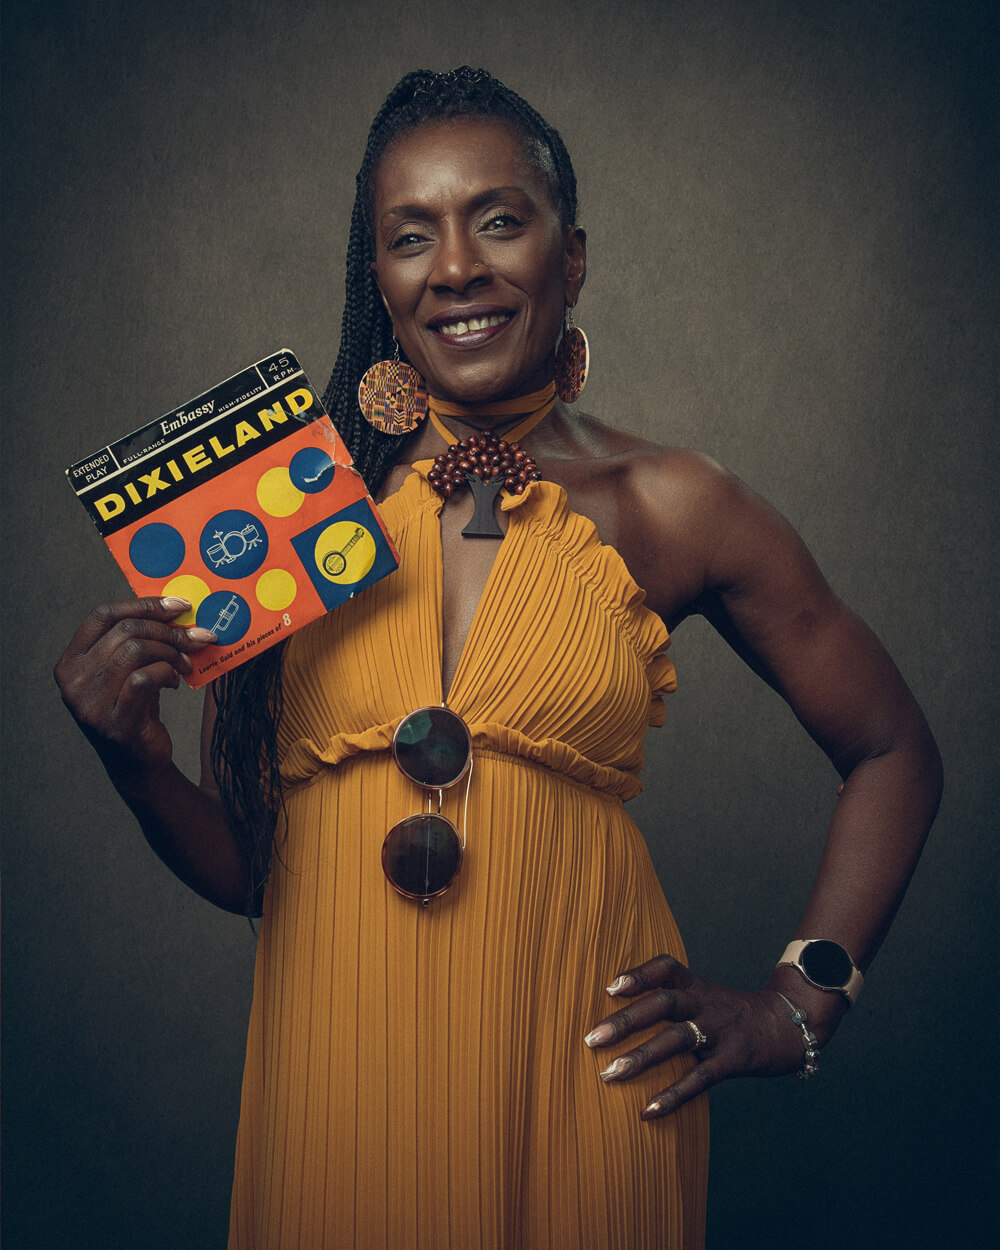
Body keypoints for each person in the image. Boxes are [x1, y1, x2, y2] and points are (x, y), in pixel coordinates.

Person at [54, 67, 942, 1250]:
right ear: (380, 278)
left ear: (569, 259)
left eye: (499, 219)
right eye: (410, 236)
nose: (456, 266)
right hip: (339, 1085)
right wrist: (134, 764)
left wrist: (796, 1004)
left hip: (585, 1082)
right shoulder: (281, 513)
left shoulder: (671, 502)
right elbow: (251, 870)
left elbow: (890, 748)